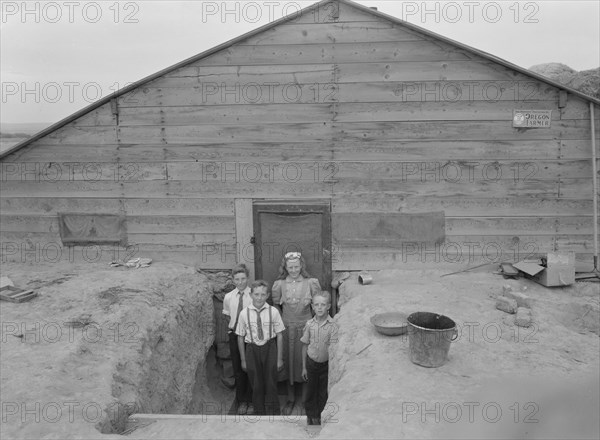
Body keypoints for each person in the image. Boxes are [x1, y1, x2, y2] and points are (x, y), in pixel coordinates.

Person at [271, 251, 321, 415]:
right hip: (286, 330)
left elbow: (317, 306)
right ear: (285, 267)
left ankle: (306, 400)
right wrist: (284, 321)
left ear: (301, 266)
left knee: (306, 362)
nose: (293, 270)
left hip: (305, 329)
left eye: (296, 266)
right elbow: (276, 307)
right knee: (289, 363)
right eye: (290, 267)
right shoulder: (279, 284)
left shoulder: (311, 283)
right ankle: (291, 399)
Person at [236, 280, 285, 416]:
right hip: (251, 349)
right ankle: (259, 413)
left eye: (263, 294)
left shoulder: (273, 312)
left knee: (270, 382)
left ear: (267, 295)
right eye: (256, 294)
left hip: (270, 347)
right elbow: (240, 337)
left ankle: (273, 413)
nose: (259, 297)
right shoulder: (244, 313)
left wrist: (279, 359)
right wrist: (243, 360)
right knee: (256, 383)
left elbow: (280, 335)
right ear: (251, 295)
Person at [301, 291, 337, 425]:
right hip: (311, 364)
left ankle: (322, 416)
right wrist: (304, 367)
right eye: (317, 305)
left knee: (323, 392)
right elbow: (304, 345)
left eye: (323, 304)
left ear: (328, 306)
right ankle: (311, 416)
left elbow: (334, 349)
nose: (320, 307)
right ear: (312, 306)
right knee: (311, 391)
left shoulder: (333, 325)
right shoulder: (309, 324)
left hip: (326, 365)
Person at [222, 264, 253, 415]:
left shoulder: (254, 295)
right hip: (235, 335)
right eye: (237, 279)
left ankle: (252, 400)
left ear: (248, 278)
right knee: (239, 369)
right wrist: (234, 328)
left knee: (251, 368)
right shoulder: (229, 297)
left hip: (251, 337)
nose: (240, 282)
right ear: (233, 280)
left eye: (243, 278)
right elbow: (227, 315)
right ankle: (241, 401)